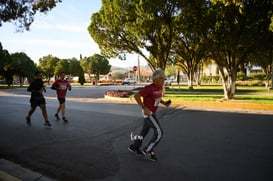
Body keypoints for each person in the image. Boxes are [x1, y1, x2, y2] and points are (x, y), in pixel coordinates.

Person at [128, 69, 171, 161]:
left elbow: (158, 99)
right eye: (161, 79)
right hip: (149, 113)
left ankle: (134, 147)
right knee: (159, 132)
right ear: (155, 79)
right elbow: (136, 96)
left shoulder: (159, 88)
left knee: (144, 132)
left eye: (164, 79)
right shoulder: (149, 88)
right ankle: (148, 150)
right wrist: (144, 107)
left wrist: (165, 103)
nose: (163, 81)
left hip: (153, 112)